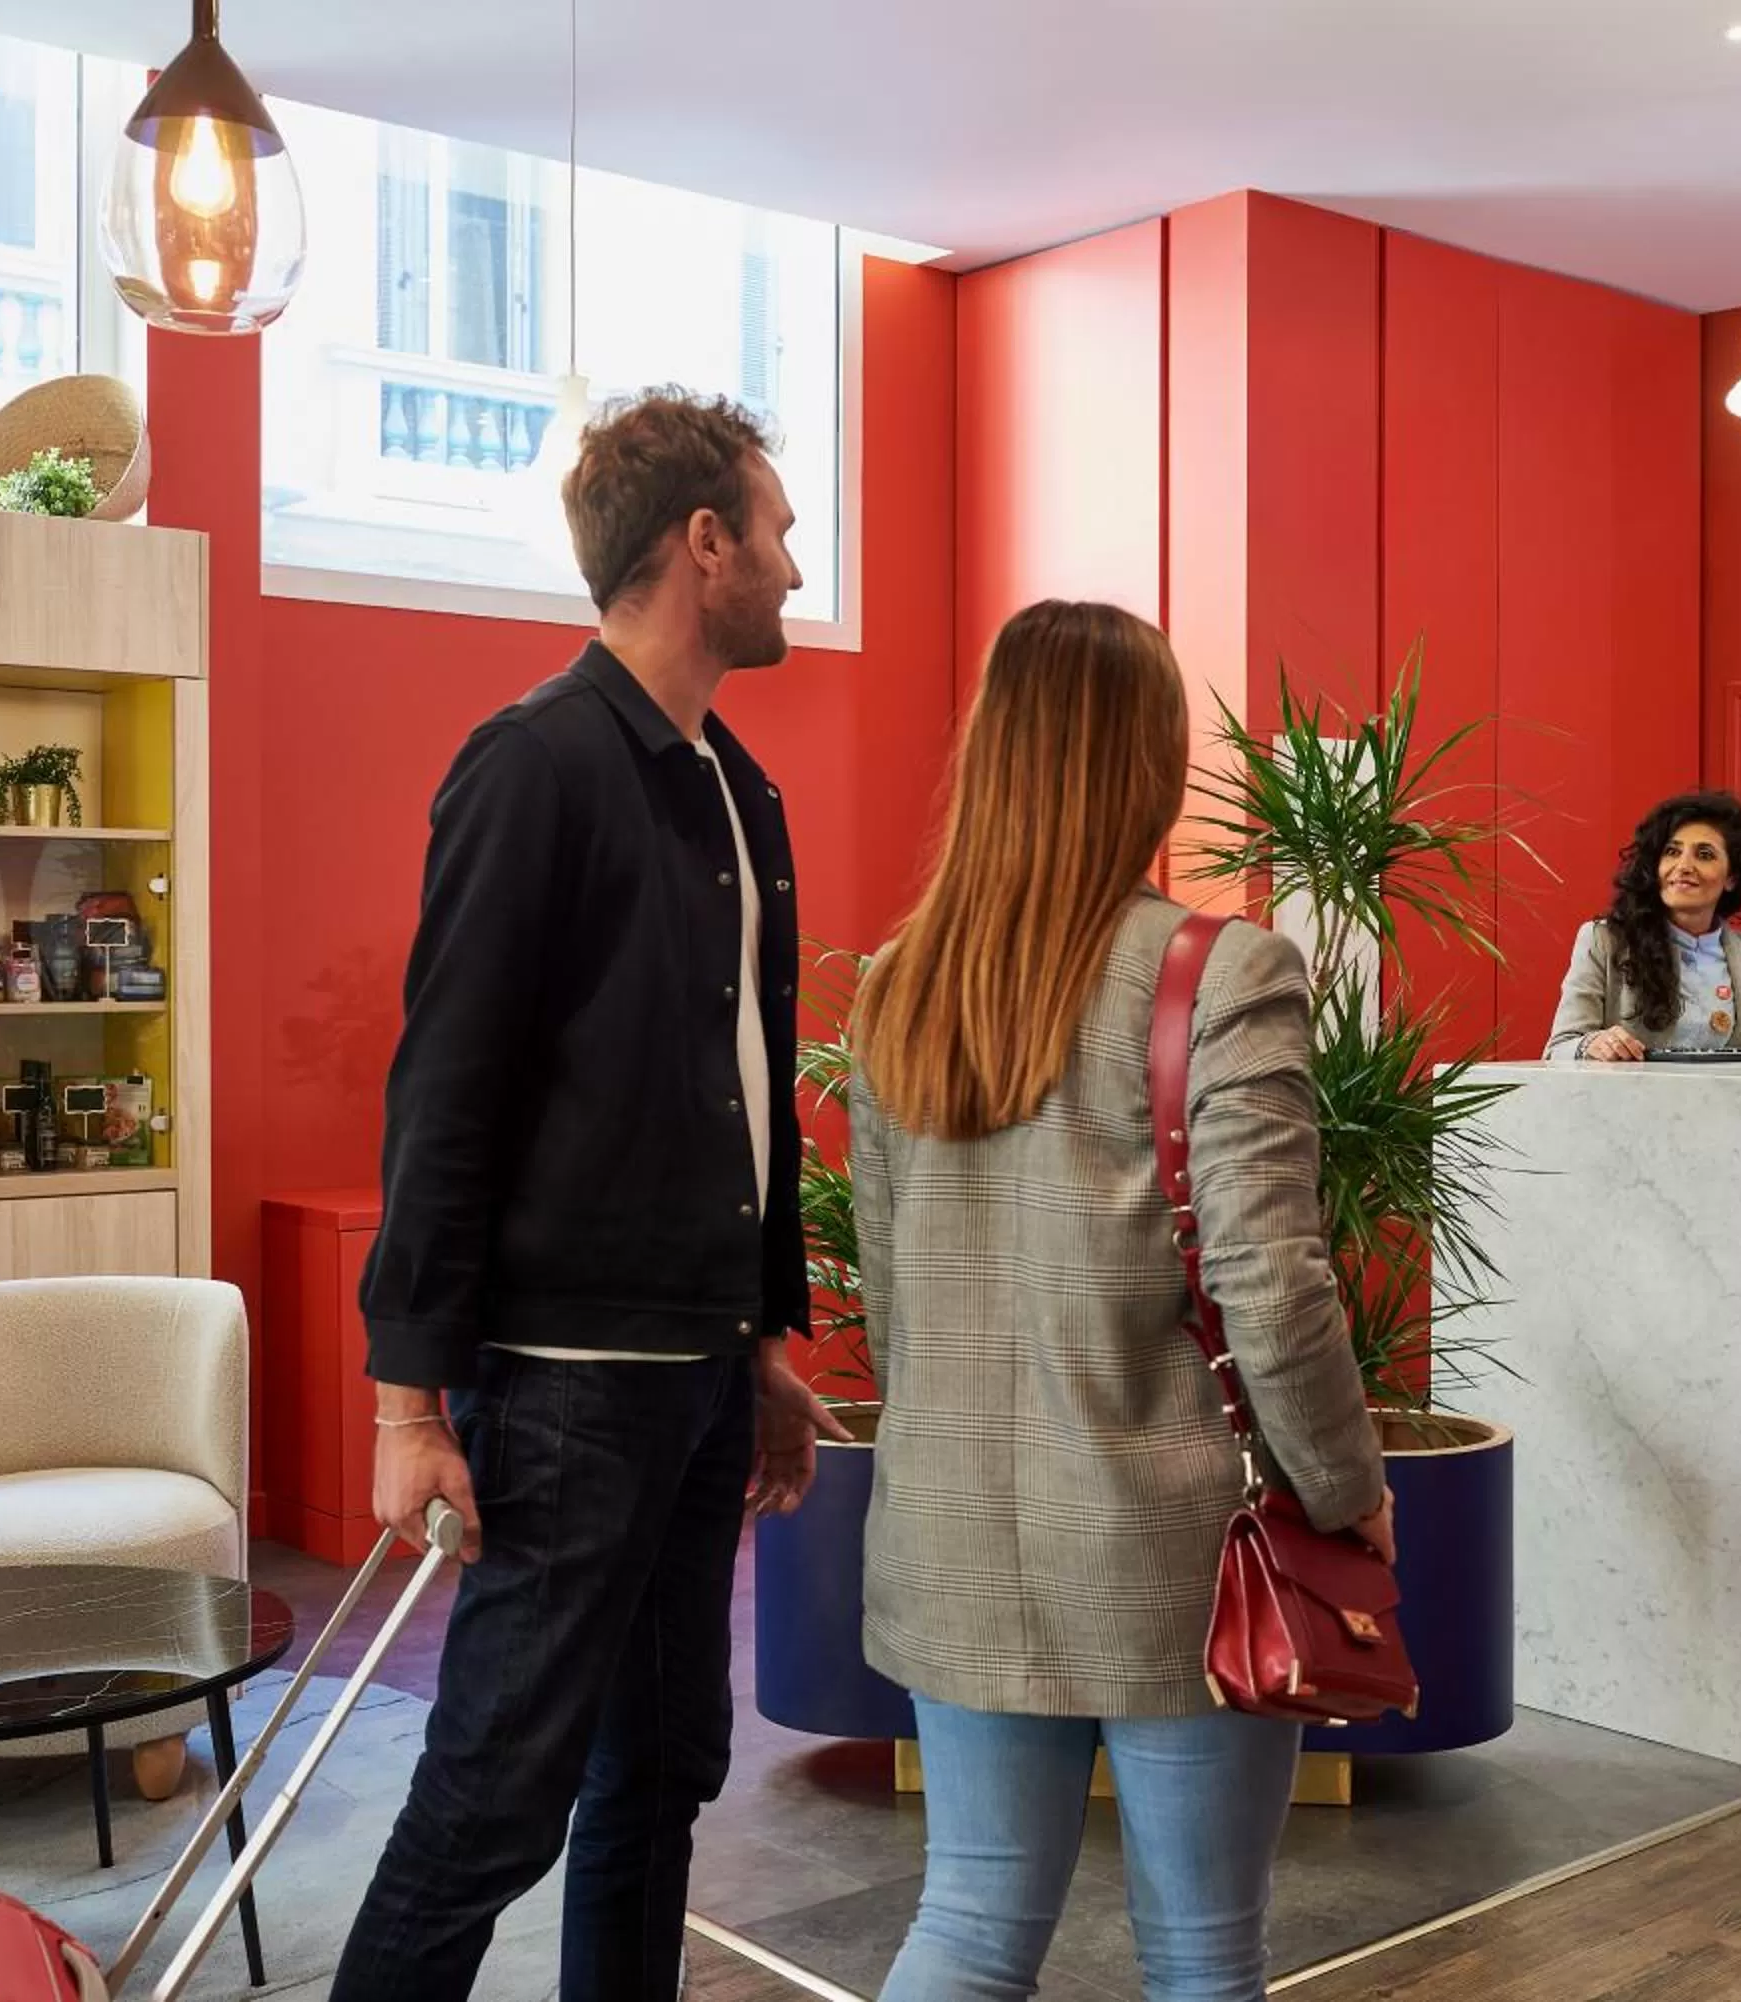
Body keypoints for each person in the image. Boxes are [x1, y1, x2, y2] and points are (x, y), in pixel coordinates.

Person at [331, 388, 851, 2002]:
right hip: (565, 1388)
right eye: (776, 532)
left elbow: (738, 1094)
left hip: (697, 1374)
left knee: (663, 1772)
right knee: (493, 1800)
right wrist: (407, 1403)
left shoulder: (736, 790)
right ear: (704, 544)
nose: (795, 563)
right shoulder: (534, 764)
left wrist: (763, 1342)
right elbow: (447, 1092)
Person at [846, 600, 1395, 2002]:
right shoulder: (1224, 969)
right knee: (1204, 1953)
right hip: (1170, 1542)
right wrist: (1344, 1486)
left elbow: (893, 1298)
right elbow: (1271, 1280)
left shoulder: (902, 984)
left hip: (953, 1525)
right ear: (1147, 759)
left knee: (969, 1924)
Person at [1543, 789, 1741, 1061]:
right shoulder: (1604, 940)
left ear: (1732, 877)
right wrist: (1593, 1044)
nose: (1683, 866)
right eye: (1672, 852)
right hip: (1631, 1104)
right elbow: (1560, 1047)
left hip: (1728, 1103)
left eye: (1704, 854)